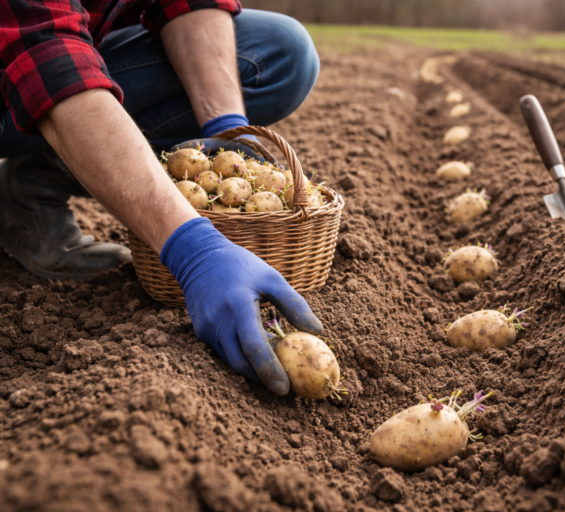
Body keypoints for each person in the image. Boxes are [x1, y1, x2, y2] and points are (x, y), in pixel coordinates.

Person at [0, 2, 323, 395]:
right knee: (52, 70)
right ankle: (66, 147)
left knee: (280, 51)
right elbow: (44, 55)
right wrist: (194, 250)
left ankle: (40, 175)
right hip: (19, 57)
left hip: (69, 44)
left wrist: (228, 128)